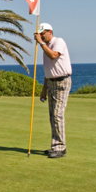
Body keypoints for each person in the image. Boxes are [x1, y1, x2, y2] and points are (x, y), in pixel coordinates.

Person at [34, 23, 72, 159]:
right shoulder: (46, 47)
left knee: (57, 115)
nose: (41, 36)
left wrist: (41, 44)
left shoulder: (58, 42)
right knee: (52, 116)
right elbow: (48, 71)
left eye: (42, 33)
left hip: (61, 82)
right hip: (51, 83)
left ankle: (60, 147)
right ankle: (55, 145)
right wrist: (44, 89)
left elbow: (54, 56)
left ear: (50, 32)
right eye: (39, 34)